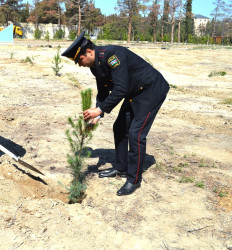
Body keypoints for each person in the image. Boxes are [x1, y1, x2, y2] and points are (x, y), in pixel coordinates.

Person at [61, 32, 169, 195]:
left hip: (151, 90)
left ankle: (133, 180)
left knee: (136, 134)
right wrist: (98, 114)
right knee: (119, 127)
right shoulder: (95, 66)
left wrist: (100, 109)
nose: (79, 64)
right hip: (135, 92)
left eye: (79, 60)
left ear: (89, 52)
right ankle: (121, 167)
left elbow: (121, 88)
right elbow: (103, 91)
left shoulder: (112, 56)